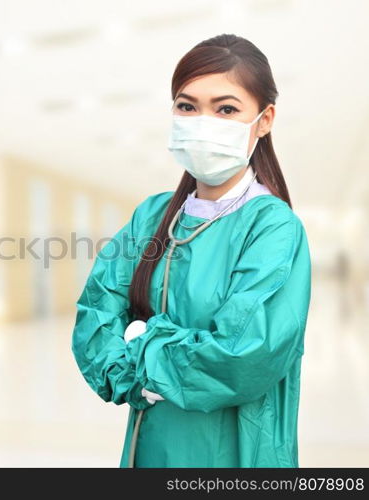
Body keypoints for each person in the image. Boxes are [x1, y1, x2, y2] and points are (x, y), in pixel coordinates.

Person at [71, 34, 312, 467]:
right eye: (187, 106)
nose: (204, 122)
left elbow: (243, 356)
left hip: (236, 451)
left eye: (226, 109)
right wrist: (135, 369)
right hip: (153, 445)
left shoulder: (273, 226)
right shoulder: (154, 216)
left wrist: (143, 344)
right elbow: (96, 314)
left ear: (264, 119)